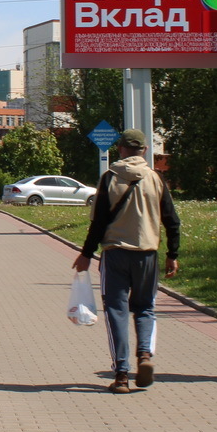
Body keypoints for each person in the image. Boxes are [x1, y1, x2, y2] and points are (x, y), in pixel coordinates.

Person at [72, 128, 180, 393]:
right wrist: (173, 254)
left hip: (116, 254)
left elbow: (98, 222)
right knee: (145, 308)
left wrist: (86, 254)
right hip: (148, 254)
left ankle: (121, 375)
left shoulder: (109, 177)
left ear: (120, 149)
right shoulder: (156, 178)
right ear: (144, 150)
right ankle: (144, 355)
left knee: (116, 311)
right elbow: (172, 220)